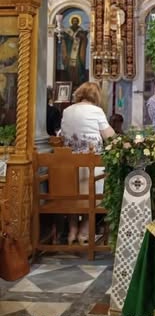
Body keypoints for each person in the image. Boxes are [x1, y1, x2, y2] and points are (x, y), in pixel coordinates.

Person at [60, 81, 115, 244]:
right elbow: (109, 136)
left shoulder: (67, 110)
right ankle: (84, 231)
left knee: (73, 197)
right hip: (92, 164)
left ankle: (72, 231)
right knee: (93, 196)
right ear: (96, 96)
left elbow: (62, 134)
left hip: (68, 164)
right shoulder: (96, 111)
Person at [61, 16, 88, 89]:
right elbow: (64, 38)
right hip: (70, 51)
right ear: (72, 22)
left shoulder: (80, 30)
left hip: (77, 52)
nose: (75, 22)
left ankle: (78, 82)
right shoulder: (68, 30)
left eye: (76, 21)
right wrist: (68, 38)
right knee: (69, 66)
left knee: (78, 65)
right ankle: (70, 82)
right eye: (74, 21)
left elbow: (84, 39)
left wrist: (82, 37)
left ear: (78, 22)